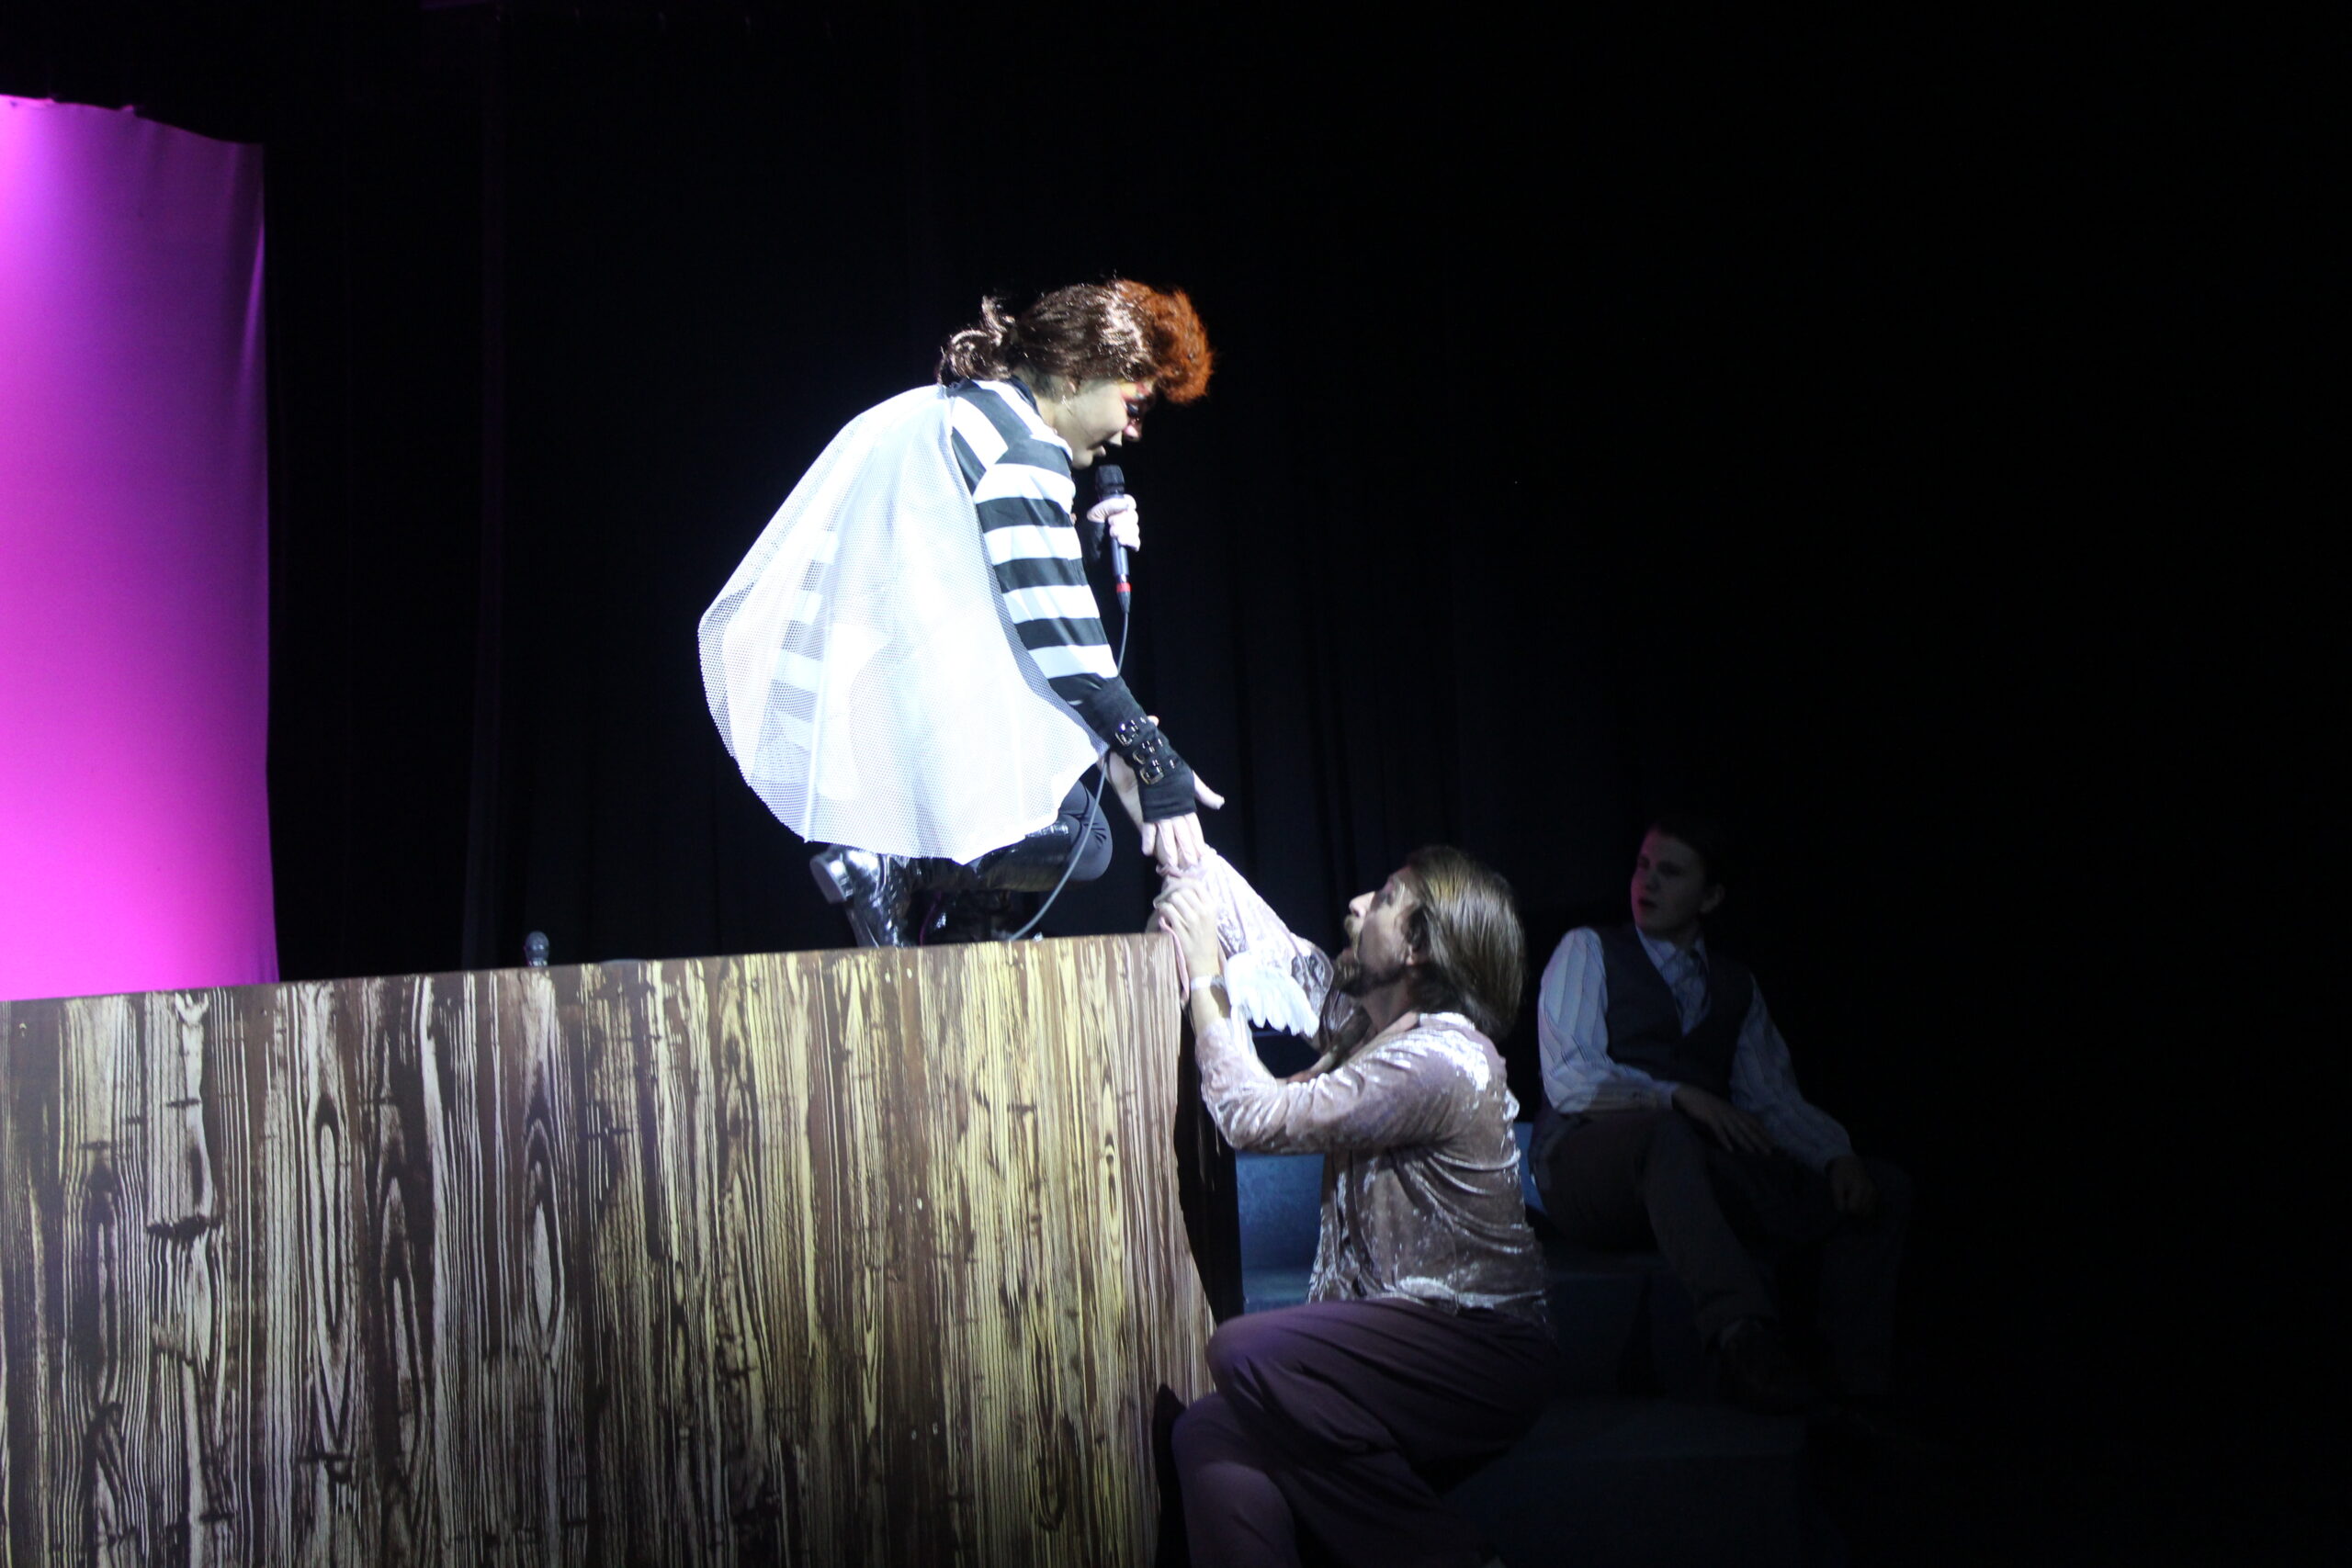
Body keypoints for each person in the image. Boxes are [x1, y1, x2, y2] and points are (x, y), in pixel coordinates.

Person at [697, 280, 1225, 946]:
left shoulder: (968, 412)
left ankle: (940, 913)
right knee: (1083, 836)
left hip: (870, 700)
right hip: (911, 711)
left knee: (1047, 799)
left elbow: (982, 579)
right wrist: (1154, 759)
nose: (1131, 433)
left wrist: (1083, 543)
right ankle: (894, 866)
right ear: (1076, 371)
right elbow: (1061, 642)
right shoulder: (1024, 447)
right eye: (1134, 404)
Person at [1147, 817, 1557, 1568]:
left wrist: (1205, 977)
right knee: (1209, 1430)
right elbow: (1260, 931)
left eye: (1387, 897)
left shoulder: (1440, 1060)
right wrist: (1160, 790)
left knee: (1244, 1349)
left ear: (1419, 947)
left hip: (1472, 1348)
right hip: (1385, 1345)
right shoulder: (1370, 1030)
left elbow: (1251, 1115)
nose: (1358, 903)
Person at [1529, 815, 1911, 1413]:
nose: (1648, 883)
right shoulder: (1590, 949)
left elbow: (1771, 1100)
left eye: (1670, 872)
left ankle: (1856, 1391)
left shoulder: (1735, 986)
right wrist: (1676, 1095)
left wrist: (1836, 1155)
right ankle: (1741, 1339)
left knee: (1878, 1186)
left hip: (1687, 1169)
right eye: (1643, 866)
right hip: (1585, 1167)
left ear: (1710, 898)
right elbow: (1572, 1077)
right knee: (1667, 1135)